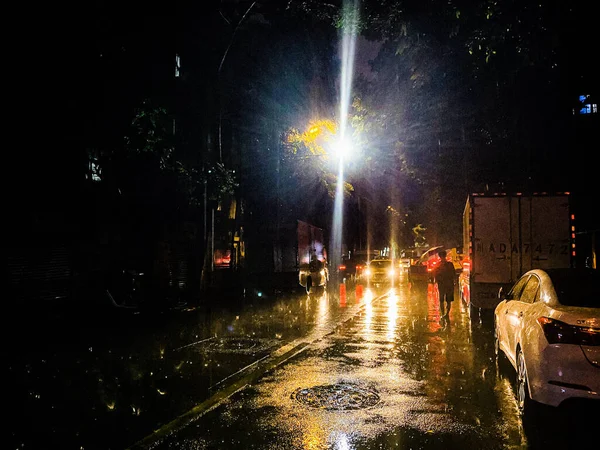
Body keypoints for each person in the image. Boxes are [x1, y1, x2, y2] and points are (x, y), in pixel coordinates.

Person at [433, 250, 456, 319]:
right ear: (445, 256)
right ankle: (446, 314)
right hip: (449, 285)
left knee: (441, 300)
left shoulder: (438, 265)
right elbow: (453, 274)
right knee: (448, 300)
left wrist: (436, 282)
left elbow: (435, 275)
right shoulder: (450, 264)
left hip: (442, 285)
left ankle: (443, 314)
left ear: (440, 256)